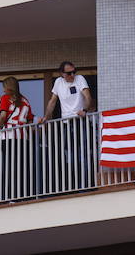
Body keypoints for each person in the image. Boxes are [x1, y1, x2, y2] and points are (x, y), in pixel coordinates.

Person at [43, 61, 94, 191]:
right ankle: (73, 184)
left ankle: (87, 184)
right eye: (69, 73)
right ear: (62, 74)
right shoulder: (58, 83)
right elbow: (52, 102)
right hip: (66, 123)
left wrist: (85, 110)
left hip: (80, 121)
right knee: (69, 154)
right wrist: (46, 117)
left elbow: (87, 96)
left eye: (73, 71)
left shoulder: (80, 79)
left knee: (84, 152)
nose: (72, 75)